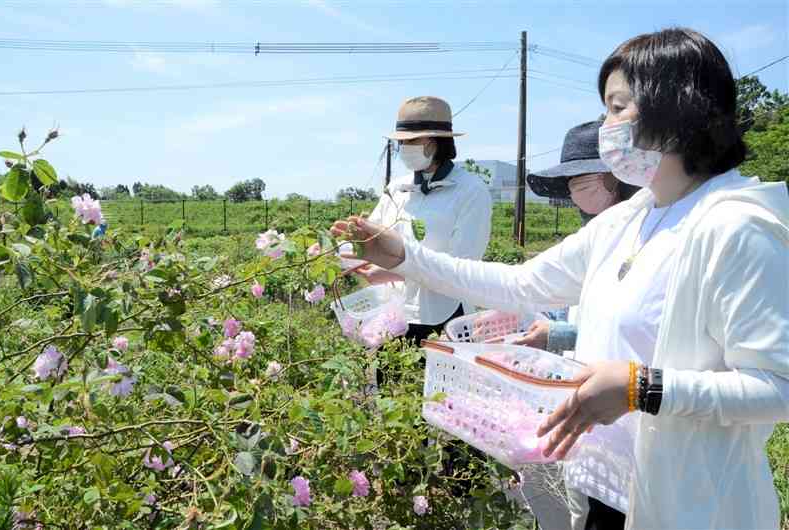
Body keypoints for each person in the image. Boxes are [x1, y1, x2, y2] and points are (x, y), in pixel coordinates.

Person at [333, 27, 789, 530]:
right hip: (602, 487)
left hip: (688, 505)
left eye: (618, 108)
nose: (606, 126)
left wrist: (645, 389)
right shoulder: (630, 218)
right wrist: (403, 256)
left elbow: (779, 385)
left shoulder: (736, 227)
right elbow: (521, 283)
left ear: (675, 109)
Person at [358, 96, 493, 345]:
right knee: (390, 381)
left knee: (435, 381)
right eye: (402, 143)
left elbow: (463, 265)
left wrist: (395, 272)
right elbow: (373, 237)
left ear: (435, 143)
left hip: (443, 313)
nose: (404, 148)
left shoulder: (470, 191)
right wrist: (345, 248)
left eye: (412, 141)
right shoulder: (397, 188)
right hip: (394, 313)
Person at [521, 121, 639, 355]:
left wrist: (562, 335)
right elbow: (563, 298)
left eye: (584, 178)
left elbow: (638, 329)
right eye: (572, 182)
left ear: (616, 177)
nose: (577, 189)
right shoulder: (590, 236)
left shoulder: (646, 239)